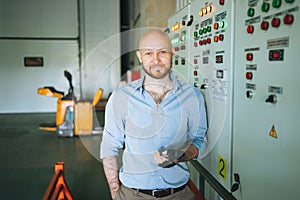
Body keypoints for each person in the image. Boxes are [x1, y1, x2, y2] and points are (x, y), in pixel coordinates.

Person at [100, 29, 207, 200]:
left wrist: (181, 155)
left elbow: (199, 140)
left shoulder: (193, 97)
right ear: (140, 56)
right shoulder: (121, 97)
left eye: (162, 52)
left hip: (179, 195)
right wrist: (115, 193)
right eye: (149, 53)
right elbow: (109, 147)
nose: (156, 60)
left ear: (172, 53)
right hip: (132, 195)